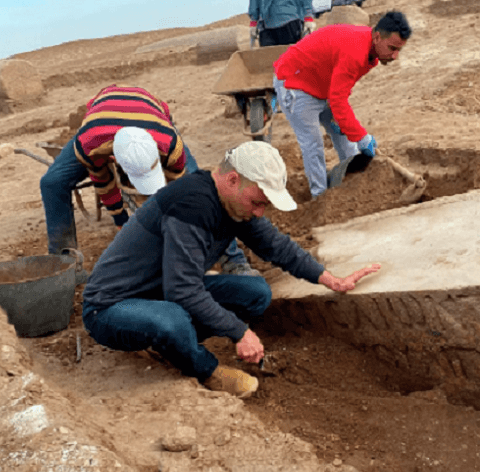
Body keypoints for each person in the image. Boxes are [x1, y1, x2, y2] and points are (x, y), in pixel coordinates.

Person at [81, 141, 380, 398]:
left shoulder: (233, 203)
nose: (259, 212)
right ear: (233, 179)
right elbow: (182, 290)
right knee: (172, 319)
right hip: (111, 308)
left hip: (159, 294)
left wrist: (330, 279)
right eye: (257, 202)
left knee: (255, 292)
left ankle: (170, 344)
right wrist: (240, 333)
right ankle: (205, 369)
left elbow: (276, 245)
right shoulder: (191, 206)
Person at [39, 84, 256, 282]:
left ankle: (235, 262)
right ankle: (65, 267)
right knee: (51, 183)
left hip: (152, 113)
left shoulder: (170, 144)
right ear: (114, 159)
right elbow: (103, 182)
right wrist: (121, 222)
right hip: (101, 122)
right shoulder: (90, 143)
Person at [272, 11, 411, 199]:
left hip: (321, 83)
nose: (395, 56)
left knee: (346, 138)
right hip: (295, 82)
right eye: (392, 48)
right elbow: (339, 101)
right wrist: (363, 137)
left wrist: (346, 125)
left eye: (398, 50)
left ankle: (353, 185)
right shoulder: (356, 52)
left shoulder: (372, 53)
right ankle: (320, 198)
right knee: (313, 145)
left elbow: (342, 90)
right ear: (377, 37)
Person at [249, 0, 316, 47]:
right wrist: (253, 22)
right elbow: (254, 3)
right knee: (269, 61)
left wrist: (308, 16)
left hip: (289, 20)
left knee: (291, 59)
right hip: (266, 25)